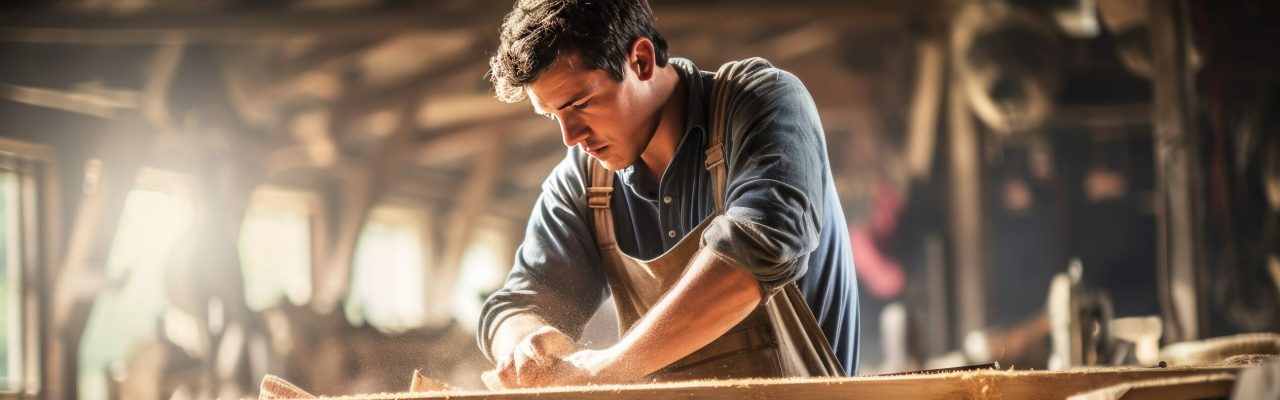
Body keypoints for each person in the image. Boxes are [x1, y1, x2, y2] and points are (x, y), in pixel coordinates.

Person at [477, 0, 858, 388]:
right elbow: (515, 304)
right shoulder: (582, 182)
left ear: (641, 61)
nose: (570, 136)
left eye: (581, 104)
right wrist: (526, 344)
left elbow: (757, 248)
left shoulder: (762, 103)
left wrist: (603, 369)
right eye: (553, 115)